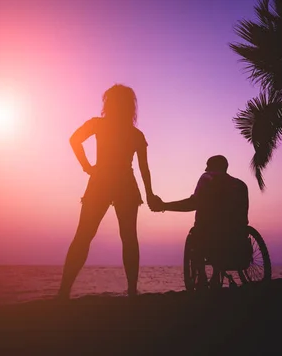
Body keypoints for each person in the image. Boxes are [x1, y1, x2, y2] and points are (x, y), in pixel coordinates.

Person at [58, 84, 159, 299]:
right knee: (128, 238)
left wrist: (88, 167)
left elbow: (74, 140)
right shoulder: (135, 134)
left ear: (108, 103)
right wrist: (149, 194)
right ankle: (132, 291)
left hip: (102, 182)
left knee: (84, 236)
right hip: (122, 184)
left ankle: (63, 292)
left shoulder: (100, 125)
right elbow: (144, 169)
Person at [150, 155, 249, 288]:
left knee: (197, 233)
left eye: (207, 165)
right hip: (237, 235)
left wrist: (165, 206)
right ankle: (215, 276)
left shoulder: (207, 178)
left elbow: (193, 203)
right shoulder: (240, 185)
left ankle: (202, 277)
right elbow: (243, 214)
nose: (205, 168)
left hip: (210, 235)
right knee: (219, 226)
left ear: (213, 167)